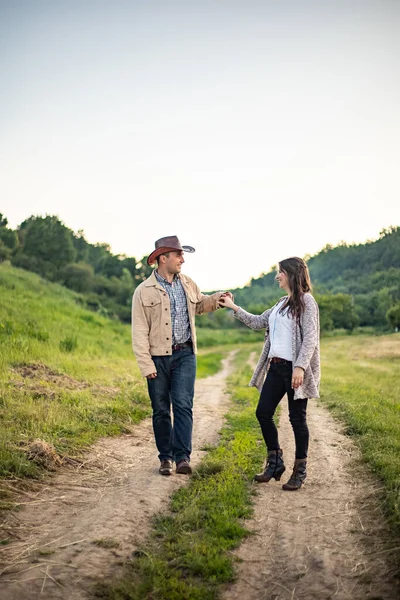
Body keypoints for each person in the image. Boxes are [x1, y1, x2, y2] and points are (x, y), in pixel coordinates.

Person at [131, 235, 231, 476]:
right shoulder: (143, 291)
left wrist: (217, 299)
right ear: (163, 258)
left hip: (185, 354)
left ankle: (182, 457)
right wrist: (146, 364)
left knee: (184, 405)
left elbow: (199, 305)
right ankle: (165, 458)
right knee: (161, 409)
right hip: (157, 358)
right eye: (178, 255)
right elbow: (139, 331)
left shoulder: (187, 283)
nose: (182, 260)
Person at [218, 257, 320, 491]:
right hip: (275, 368)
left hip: (294, 370)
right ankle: (275, 462)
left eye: (280, 272)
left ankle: (299, 470)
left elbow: (311, 338)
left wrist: (300, 367)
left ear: (292, 274)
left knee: (297, 420)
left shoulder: (307, 302)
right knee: (263, 413)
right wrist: (234, 307)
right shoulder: (280, 304)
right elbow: (257, 322)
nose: (277, 276)